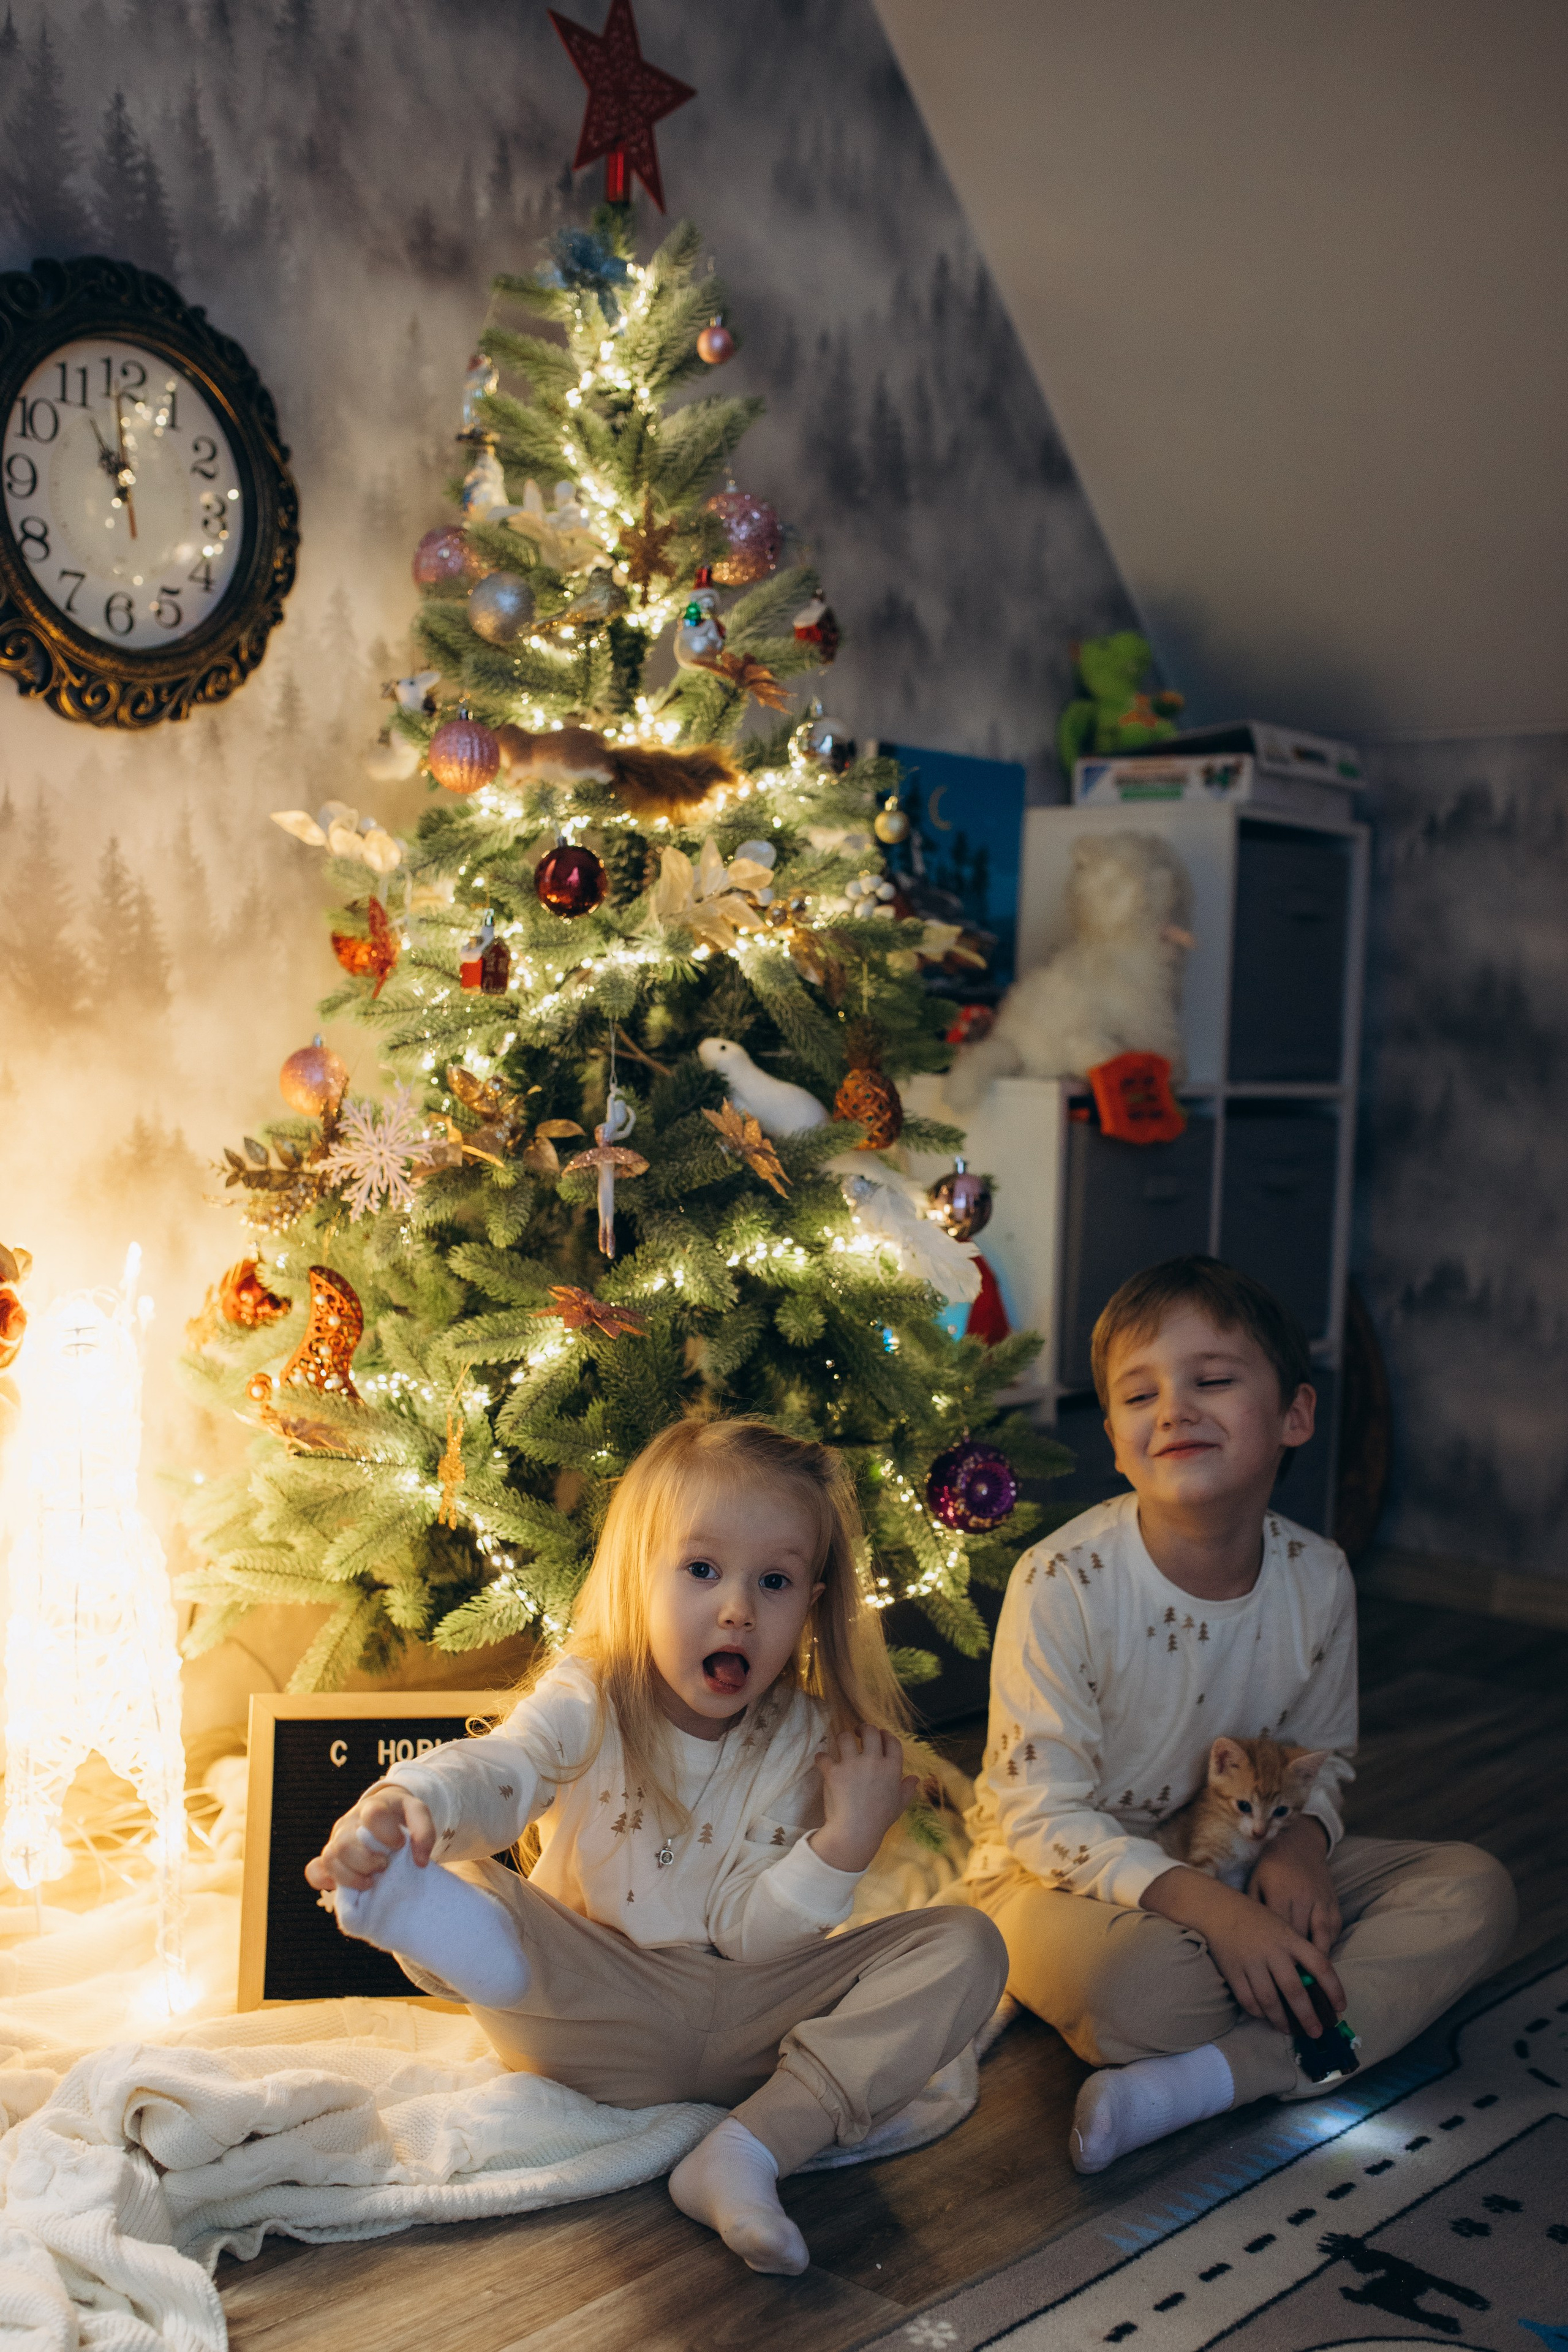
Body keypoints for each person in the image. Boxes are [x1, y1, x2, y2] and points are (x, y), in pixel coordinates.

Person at [306, 1417, 1006, 2275]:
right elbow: (508, 1769)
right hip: (589, 2011)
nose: (738, 1609)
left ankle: (748, 2152)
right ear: (642, 1573)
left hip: (752, 2030)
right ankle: (404, 1896)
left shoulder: (809, 1742)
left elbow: (753, 1936)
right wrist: (414, 1800)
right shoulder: (591, 1693)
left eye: (775, 1582)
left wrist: (846, 1842)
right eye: (702, 1570)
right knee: (469, 1872)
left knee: (967, 1943)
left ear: (810, 1606)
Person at [959, 1256, 1515, 2174]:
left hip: (1238, 1854)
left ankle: (1216, 2077)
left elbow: (1323, 1758)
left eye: (1212, 1380)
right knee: (1149, 1989)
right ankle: (1288, 2030)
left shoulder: (1318, 1576)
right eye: (1141, 1395)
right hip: (1052, 1881)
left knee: (1472, 1891)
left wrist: (1303, 1847)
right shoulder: (1062, 1581)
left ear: (1295, 1414)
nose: (1174, 1410)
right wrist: (1215, 1913)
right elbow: (1039, 1815)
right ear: (1116, 1441)